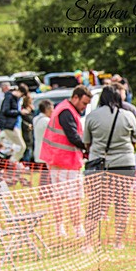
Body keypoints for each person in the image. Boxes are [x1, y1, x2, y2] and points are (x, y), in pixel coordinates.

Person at [83, 85, 136, 248]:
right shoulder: (128, 116)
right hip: (125, 163)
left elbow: (87, 142)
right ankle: (118, 241)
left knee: (95, 203)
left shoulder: (92, 116)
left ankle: (89, 242)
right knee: (122, 202)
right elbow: (134, 140)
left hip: (100, 164)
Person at [39, 86, 92, 238]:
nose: (84, 107)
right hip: (65, 161)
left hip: (59, 159)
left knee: (60, 197)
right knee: (73, 197)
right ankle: (76, 229)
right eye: (84, 103)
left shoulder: (64, 109)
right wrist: (89, 147)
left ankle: (60, 229)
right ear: (75, 98)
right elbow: (73, 137)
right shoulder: (66, 112)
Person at [0, 85, 24, 161]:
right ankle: (11, 163)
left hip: (14, 126)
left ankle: (11, 162)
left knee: (12, 148)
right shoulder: (9, 97)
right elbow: (5, 111)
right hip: (9, 126)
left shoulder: (15, 99)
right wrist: (19, 112)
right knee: (21, 147)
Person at [32, 99, 53, 163]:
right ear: (47, 110)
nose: (53, 111)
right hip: (46, 154)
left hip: (37, 152)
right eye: (52, 109)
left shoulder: (35, 119)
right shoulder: (47, 121)